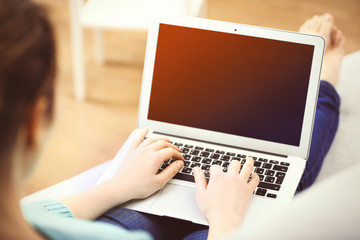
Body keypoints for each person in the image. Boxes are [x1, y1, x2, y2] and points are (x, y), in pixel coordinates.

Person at [0, 0, 344, 238]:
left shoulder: (27, 218)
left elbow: (40, 215)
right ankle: (322, 84)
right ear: (33, 122)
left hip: (122, 217)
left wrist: (113, 188)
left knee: (151, 190)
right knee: (286, 170)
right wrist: (226, 219)